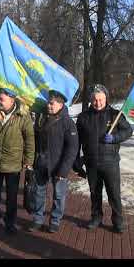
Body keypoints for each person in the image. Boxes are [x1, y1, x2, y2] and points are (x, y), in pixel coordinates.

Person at [76, 84, 133, 233]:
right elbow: (77, 141)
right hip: (91, 162)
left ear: (106, 99)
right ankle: (96, 217)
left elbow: (128, 131)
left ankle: (118, 221)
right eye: (95, 99)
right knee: (95, 193)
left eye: (101, 99)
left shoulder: (115, 115)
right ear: (90, 100)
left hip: (111, 162)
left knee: (114, 193)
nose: (98, 102)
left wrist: (115, 138)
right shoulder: (83, 117)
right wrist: (76, 161)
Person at [0, 88, 35, 235]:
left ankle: (10, 223)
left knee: (11, 198)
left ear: (12, 101)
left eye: (2, 100)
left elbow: (30, 140)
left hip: (13, 164)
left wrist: (29, 160)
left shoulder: (22, 116)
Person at [28, 90, 79, 234]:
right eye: (48, 103)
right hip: (41, 163)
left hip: (58, 165)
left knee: (58, 195)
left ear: (61, 104)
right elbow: (36, 140)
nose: (49, 106)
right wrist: (33, 160)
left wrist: (64, 169)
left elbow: (72, 148)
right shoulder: (42, 118)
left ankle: (55, 221)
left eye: (52, 103)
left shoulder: (68, 123)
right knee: (39, 193)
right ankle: (38, 219)